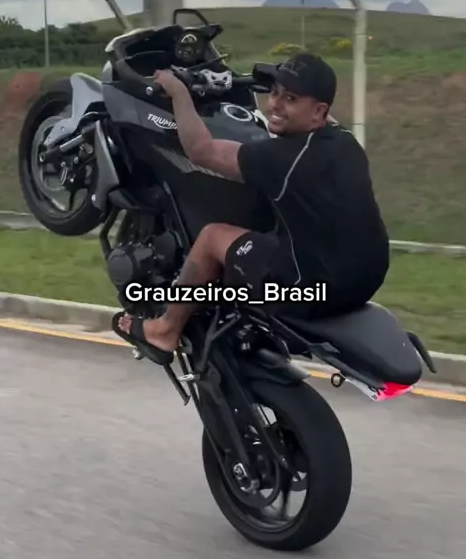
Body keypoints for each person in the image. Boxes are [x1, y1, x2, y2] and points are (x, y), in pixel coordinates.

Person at [114, 52, 390, 365]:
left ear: (318, 111)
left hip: (313, 290)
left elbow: (202, 151)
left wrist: (178, 92)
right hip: (367, 278)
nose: (275, 105)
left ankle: (165, 330)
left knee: (212, 236)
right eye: (274, 93)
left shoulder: (280, 158)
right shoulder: (345, 141)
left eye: (291, 99)